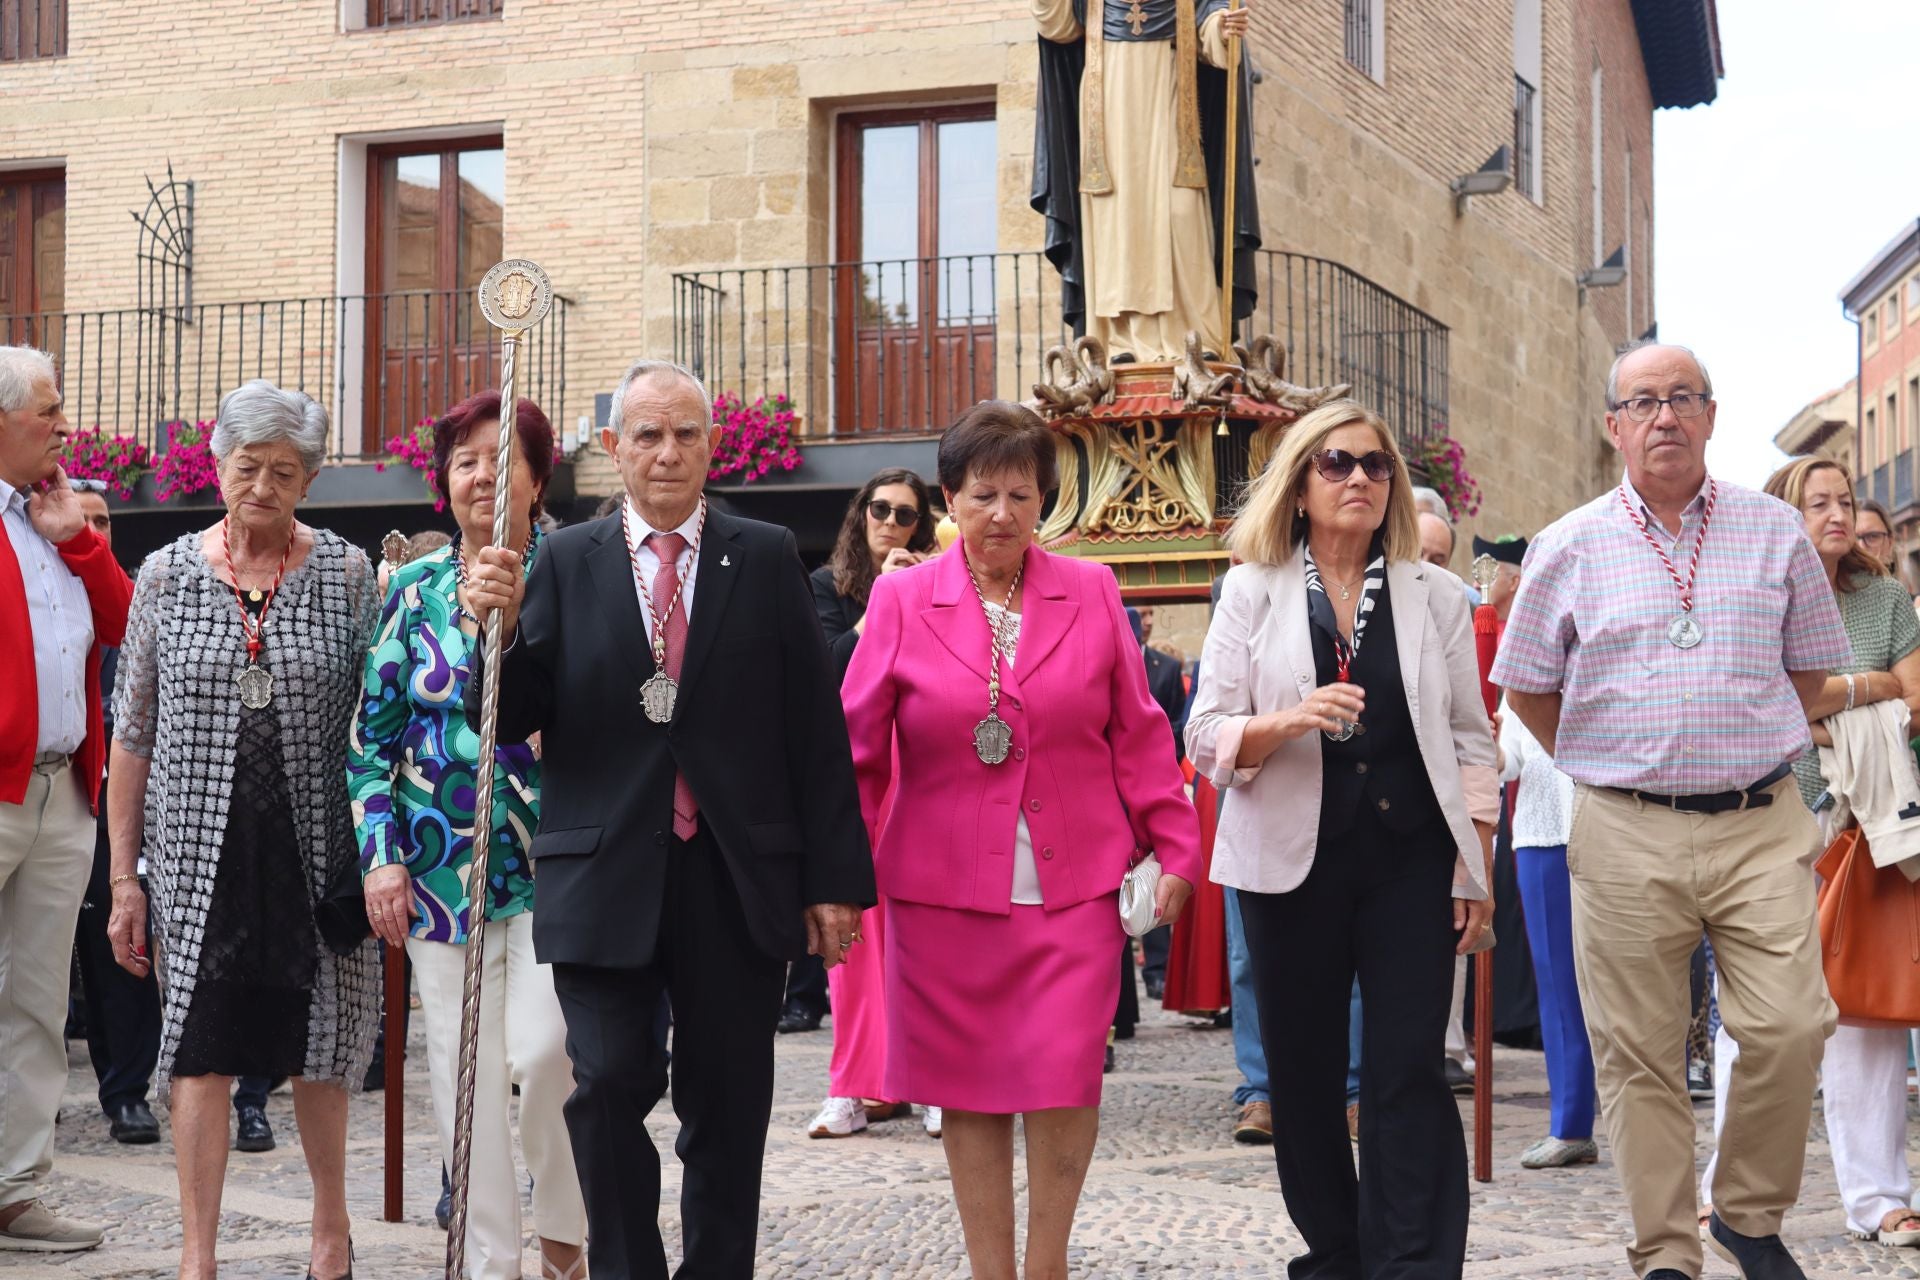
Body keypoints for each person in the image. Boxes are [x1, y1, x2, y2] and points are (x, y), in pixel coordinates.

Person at [463, 358, 874, 1280]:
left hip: (733, 874)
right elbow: (511, 713)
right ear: (613, 449)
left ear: (711, 445)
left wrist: (835, 882)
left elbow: (813, 728)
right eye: (646, 435)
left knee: (728, 1102)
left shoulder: (765, 553)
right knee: (605, 1085)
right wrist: (495, 629)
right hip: (603, 871)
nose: (667, 453)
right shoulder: (563, 560)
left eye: (686, 433)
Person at [1493, 342, 1850, 1280]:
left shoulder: (1777, 533)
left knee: (1791, 1024)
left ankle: (1745, 1213)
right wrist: (1606, 758)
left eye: (1683, 398)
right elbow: (1528, 686)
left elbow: (1810, 673)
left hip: (1759, 817)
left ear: (1711, 415)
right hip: (1623, 826)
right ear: (1613, 424)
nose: (1665, 417)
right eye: (1643, 402)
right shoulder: (1566, 545)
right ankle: (1664, 1252)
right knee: (1639, 1053)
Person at [841, 400, 1200, 1280]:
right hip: (940, 895)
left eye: (1022, 495)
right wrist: (836, 873)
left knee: (1064, 1077)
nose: (1002, 514)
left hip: (1074, 890)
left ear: (1044, 501)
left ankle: (1048, 1268)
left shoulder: (1090, 590)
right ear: (948, 498)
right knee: (967, 1092)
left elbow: (1141, 734)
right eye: (983, 494)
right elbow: (854, 750)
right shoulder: (898, 598)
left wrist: (1176, 848)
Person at [1186, 399, 1496, 1278]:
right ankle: (1338, 1254)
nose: (1359, 477)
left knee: (1406, 1072)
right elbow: (1204, 732)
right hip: (1290, 866)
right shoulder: (1251, 587)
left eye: (1375, 463)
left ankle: (1416, 1263)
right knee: (1307, 1079)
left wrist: (1476, 863)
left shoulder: (1436, 594)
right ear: (1299, 484)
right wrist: (1289, 721)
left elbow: (1474, 738)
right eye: (1336, 463)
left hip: (1409, 860)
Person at [105, 379, 382, 1280]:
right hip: (196, 856)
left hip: (314, 851)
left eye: (285, 473)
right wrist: (124, 878)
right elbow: (134, 735)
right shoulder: (165, 574)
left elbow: (377, 726)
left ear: (309, 481)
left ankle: (330, 1234)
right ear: (218, 465)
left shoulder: (346, 575)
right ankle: (198, 1255)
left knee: (324, 1047)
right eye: (247, 466)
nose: (262, 487)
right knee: (200, 1048)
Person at [348, 391, 586, 1280]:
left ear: (537, 476)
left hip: (557, 867)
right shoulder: (411, 591)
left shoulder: (577, 571)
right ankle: (493, 1262)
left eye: (504, 457)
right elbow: (371, 743)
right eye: (465, 461)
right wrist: (381, 860)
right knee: (467, 1086)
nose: (485, 474)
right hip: (437, 876)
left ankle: (566, 1233)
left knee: (546, 1050)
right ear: (443, 482)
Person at [1756, 457, 1920, 1248]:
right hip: (1773, 810)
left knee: (1865, 1008)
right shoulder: (1756, 595)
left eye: (1845, 500)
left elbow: (1915, 701)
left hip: (1866, 819)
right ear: (1782, 513)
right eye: (1817, 501)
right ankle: (1738, 1201)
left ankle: (1881, 1198)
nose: (1836, 514)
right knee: (1755, 1013)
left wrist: (1826, 703)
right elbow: (1764, 705)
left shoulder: (1884, 598)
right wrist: (1867, 692)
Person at [0, 348, 132, 1254]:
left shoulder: (57, 515)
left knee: (38, 1004)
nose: (62, 423)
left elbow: (130, 627)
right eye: (48, 409)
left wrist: (77, 541)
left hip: (63, 789)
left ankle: (15, 1190)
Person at [802, 467, 939, 1140]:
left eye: (906, 514)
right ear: (860, 516)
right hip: (851, 779)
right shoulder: (827, 589)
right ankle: (850, 1088)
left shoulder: (940, 588)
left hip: (921, 778)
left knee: (924, 937)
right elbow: (825, 670)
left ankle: (935, 1084)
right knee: (849, 940)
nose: (890, 521)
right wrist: (881, 601)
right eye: (879, 508)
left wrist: (914, 591)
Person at [1030, 0, 1259, 360]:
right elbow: (1057, 25)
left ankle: (1195, 336)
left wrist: (1224, 29)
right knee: (1118, 220)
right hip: (1107, 106)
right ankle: (1121, 341)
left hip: (1169, 96)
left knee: (1181, 214)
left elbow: (1210, 26)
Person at [64, 481, 163, 1148]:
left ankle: (126, 1091)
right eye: (83, 519)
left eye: (102, 520)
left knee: (121, 953)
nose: (94, 530)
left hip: (109, 806)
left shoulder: (130, 605)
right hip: (38, 794)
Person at [1497, 674, 1594, 1170]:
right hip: (1540, 831)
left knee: (1636, 979)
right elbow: (1509, 757)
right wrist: (1487, 750)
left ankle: (1647, 1117)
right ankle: (1571, 1122)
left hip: (1614, 825)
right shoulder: (1524, 665)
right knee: (1557, 984)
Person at [1856, 497, 1899, 579]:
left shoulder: (1897, 590)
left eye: (1873, 536)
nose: (1861, 546)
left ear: (1890, 543)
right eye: (1853, 538)